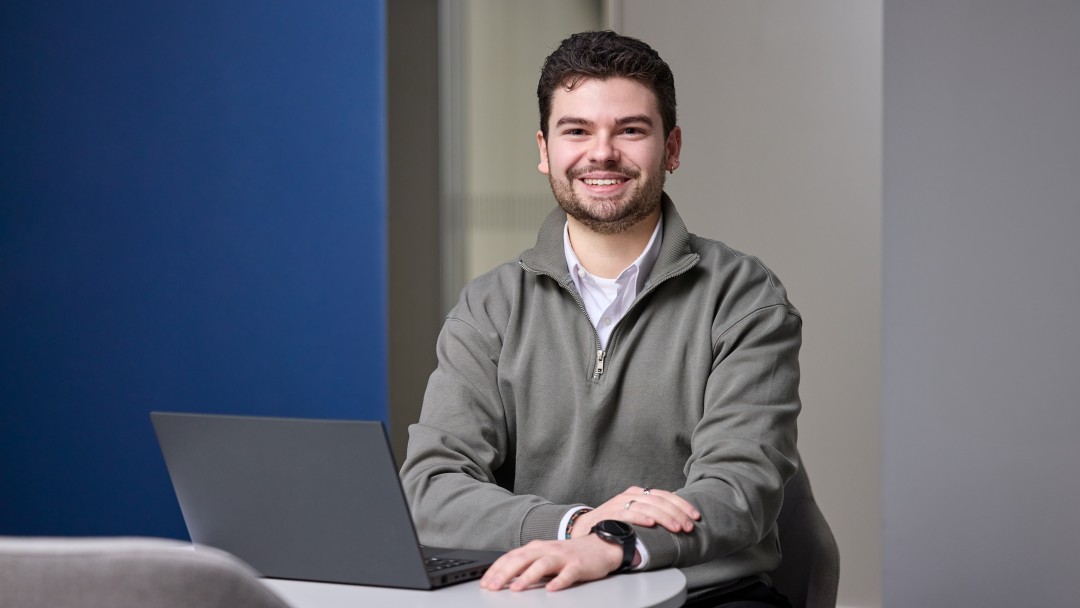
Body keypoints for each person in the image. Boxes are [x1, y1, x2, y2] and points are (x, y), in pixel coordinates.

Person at [400, 30, 801, 608]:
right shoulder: (488, 306)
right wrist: (575, 527)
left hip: (707, 594)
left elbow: (741, 489)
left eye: (631, 130)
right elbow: (430, 490)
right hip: (540, 590)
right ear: (544, 150)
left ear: (672, 148)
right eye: (577, 130)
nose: (602, 152)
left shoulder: (745, 298)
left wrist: (617, 544)